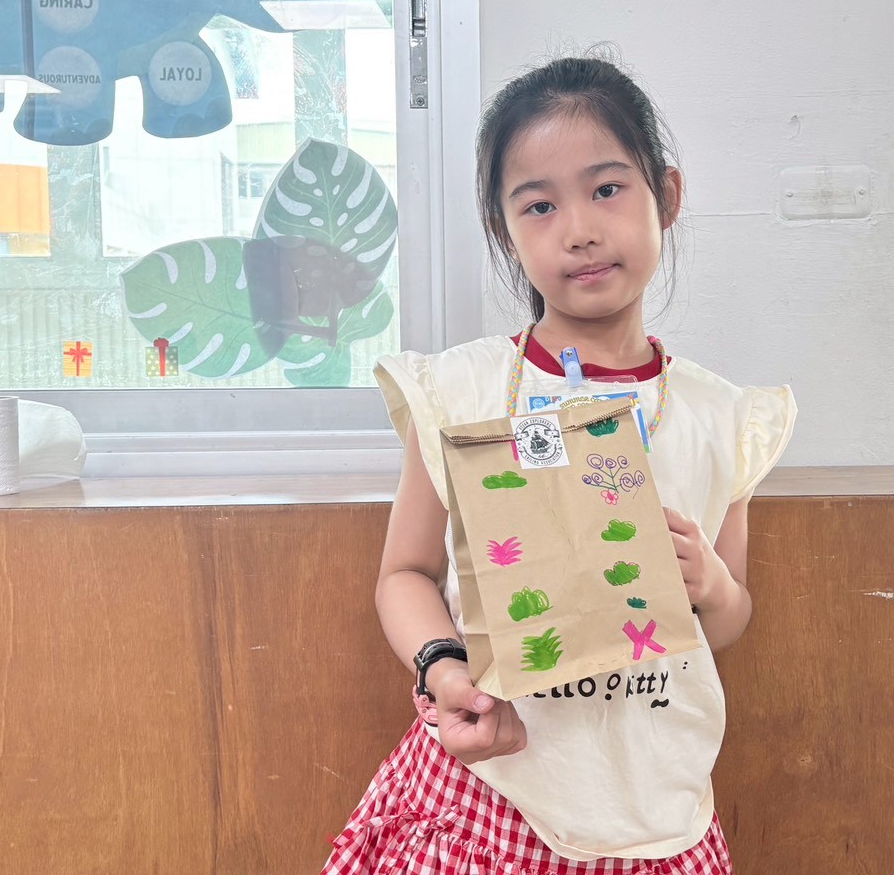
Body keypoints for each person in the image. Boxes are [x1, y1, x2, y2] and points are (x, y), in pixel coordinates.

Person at [323, 55, 797, 874]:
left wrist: (713, 586)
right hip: (486, 801)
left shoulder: (721, 417)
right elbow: (404, 573)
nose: (578, 229)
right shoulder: (462, 393)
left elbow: (722, 624)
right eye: (539, 205)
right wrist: (444, 669)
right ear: (504, 229)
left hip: (660, 813)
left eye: (607, 189)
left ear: (667, 196)